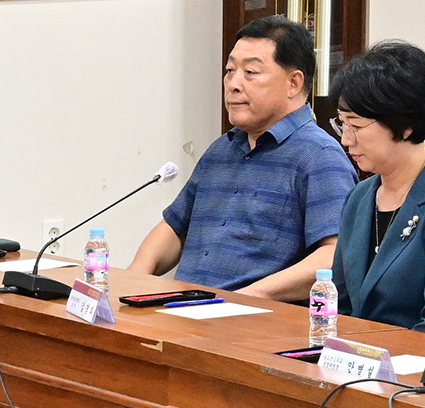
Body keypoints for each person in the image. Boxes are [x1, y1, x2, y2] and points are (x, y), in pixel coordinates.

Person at [131, 16, 352, 296]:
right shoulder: (221, 150)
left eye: (251, 72)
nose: (233, 84)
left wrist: (250, 296)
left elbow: (334, 257)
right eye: (229, 70)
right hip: (186, 309)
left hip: (254, 321)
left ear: (293, 83)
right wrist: (134, 279)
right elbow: (174, 228)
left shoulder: (319, 156)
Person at [322, 40, 425, 341]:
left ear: (405, 126)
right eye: (342, 124)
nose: (346, 140)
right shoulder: (360, 197)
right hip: (361, 366)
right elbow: (340, 304)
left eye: (356, 126)